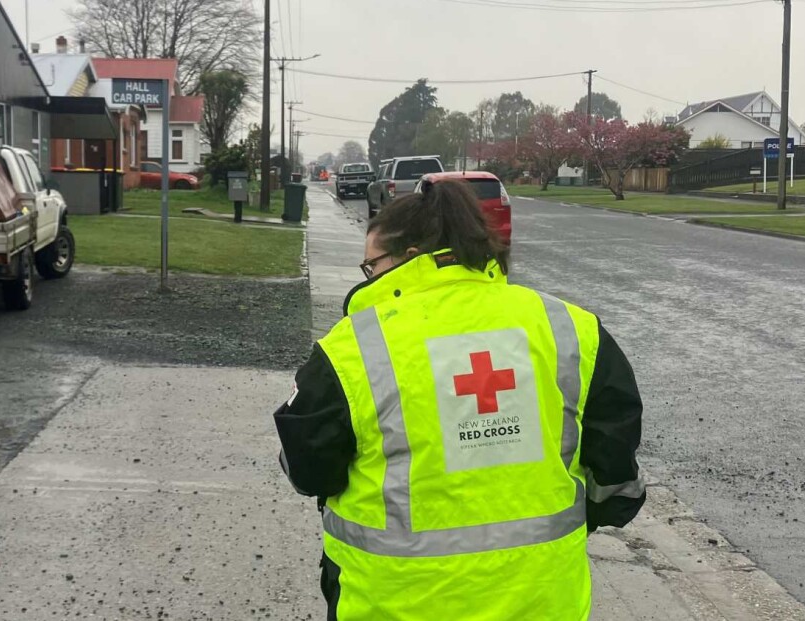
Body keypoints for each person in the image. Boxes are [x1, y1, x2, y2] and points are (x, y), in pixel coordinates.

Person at [273, 180, 645, 621]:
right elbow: (616, 478)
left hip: (394, 604)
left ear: (410, 258)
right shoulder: (570, 328)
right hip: (544, 601)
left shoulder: (354, 346)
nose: (367, 278)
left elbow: (310, 469)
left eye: (370, 265)